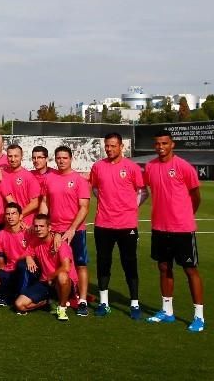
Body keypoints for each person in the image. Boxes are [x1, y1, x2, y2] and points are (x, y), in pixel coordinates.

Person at [143, 130, 205, 332]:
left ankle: (199, 317)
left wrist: (186, 215)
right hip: (159, 227)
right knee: (164, 268)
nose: (160, 146)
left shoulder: (183, 167)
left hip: (182, 228)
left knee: (190, 270)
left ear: (172, 144)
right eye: (157, 143)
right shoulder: (150, 167)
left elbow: (195, 195)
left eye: (164, 143)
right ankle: (167, 311)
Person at [90, 132, 146, 319]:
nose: (109, 149)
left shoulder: (132, 167)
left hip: (126, 225)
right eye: (107, 146)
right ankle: (104, 303)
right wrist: (107, 204)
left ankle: (134, 304)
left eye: (113, 146)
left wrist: (130, 207)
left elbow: (143, 192)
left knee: (129, 263)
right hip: (103, 224)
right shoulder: (98, 166)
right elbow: (95, 188)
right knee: (103, 263)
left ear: (122, 147)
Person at [39, 146, 91, 316]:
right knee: (57, 266)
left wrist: (72, 229)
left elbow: (84, 208)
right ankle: (62, 297)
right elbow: (45, 203)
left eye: (65, 158)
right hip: (55, 231)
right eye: (59, 158)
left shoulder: (79, 180)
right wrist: (42, 223)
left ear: (71, 159)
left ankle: (82, 301)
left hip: (75, 231)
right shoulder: (49, 178)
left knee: (80, 263)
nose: (61, 161)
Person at [16, 214, 76, 321]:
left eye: (42, 226)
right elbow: (22, 256)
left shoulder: (60, 244)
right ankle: (47, 301)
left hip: (61, 282)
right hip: (45, 282)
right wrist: (28, 257)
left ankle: (62, 308)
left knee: (62, 276)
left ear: (49, 228)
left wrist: (51, 277)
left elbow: (66, 267)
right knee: (19, 305)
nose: (38, 229)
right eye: (36, 226)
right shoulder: (35, 242)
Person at [0, 202, 30, 307]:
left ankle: (20, 296)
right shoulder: (0, 235)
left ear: (21, 216)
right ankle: (6, 296)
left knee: (22, 265)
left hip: (27, 270)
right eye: (8, 214)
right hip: (9, 270)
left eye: (14, 213)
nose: (10, 216)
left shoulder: (28, 232)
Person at [0, 144, 41, 225]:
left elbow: (35, 203)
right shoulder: (1, 173)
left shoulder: (28, 177)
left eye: (16, 156)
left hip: (25, 223)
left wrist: (19, 216)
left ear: (22, 156)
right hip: (8, 222)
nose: (13, 159)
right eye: (10, 156)